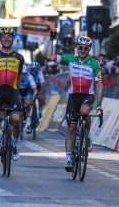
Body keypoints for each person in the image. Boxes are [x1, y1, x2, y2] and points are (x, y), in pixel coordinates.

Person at [46, 29, 103, 172]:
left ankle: (87, 136)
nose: (83, 50)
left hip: (87, 96)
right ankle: (69, 157)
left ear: (89, 49)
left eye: (86, 48)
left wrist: (100, 104)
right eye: (80, 48)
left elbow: (99, 84)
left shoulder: (94, 64)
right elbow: (49, 55)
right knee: (71, 128)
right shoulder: (70, 59)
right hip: (73, 97)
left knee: (85, 113)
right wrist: (51, 40)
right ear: (77, 48)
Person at [0, 27, 24, 161]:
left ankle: (14, 145)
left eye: (9, 37)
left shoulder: (19, 57)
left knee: (17, 120)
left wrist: (16, 90)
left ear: (12, 39)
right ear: (0, 39)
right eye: (4, 37)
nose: (6, 39)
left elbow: (19, 78)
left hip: (13, 91)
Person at [19, 64, 38, 133]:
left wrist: (34, 96)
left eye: (24, 74)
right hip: (19, 92)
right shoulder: (16, 77)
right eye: (21, 74)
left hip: (27, 92)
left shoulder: (29, 77)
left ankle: (28, 117)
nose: (23, 76)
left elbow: (35, 89)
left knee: (28, 103)